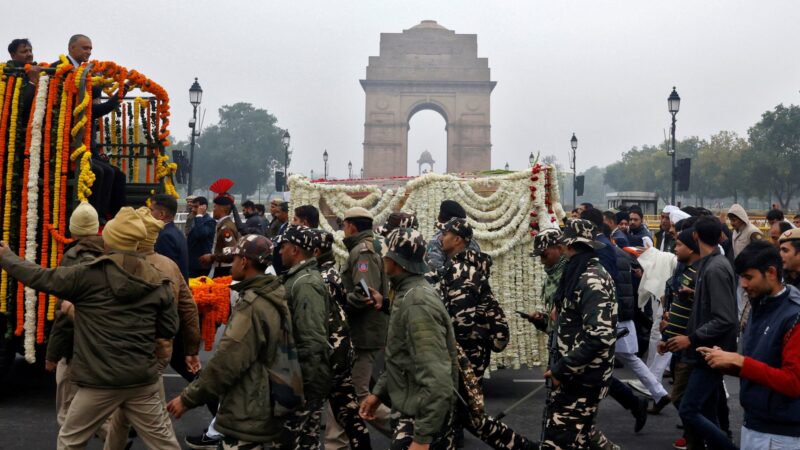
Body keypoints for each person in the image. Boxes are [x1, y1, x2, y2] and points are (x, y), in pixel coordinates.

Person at [0, 207, 180, 449]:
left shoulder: (89, 275)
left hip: (98, 381)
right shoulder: (159, 281)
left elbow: (40, 277)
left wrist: (6, 257)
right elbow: (168, 328)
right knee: (164, 444)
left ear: (109, 238)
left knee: (70, 440)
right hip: (141, 381)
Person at [167, 234, 289, 449]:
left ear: (245, 261)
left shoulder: (252, 305)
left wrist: (188, 399)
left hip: (248, 405)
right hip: (263, 399)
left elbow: (227, 362)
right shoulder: (274, 292)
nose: (231, 264)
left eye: (234, 259)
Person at [104, 208, 202, 450]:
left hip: (132, 355)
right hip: (159, 351)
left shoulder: (127, 266)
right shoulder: (168, 265)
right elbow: (189, 309)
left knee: (154, 422)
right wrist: (191, 349)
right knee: (122, 417)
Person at [359, 228, 459, 450]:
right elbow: (400, 357)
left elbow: (437, 379)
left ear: (397, 262)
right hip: (413, 410)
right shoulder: (406, 294)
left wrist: (422, 439)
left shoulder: (416, 304)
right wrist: (378, 394)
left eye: (385, 254)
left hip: (420, 419)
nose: (381, 258)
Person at [699, 240, 800, 448]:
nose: (743, 285)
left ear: (771, 273)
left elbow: (793, 383)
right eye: (741, 277)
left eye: (748, 277)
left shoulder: (794, 315)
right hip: (754, 424)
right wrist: (732, 365)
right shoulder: (759, 305)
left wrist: (741, 362)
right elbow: (762, 366)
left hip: (781, 436)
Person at [541, 219, 618, 449]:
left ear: (570, 247)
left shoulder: (591, 278)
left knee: (559, 441)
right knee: (584, 437)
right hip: (576, 375)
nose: (564, 252)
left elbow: (599, 336)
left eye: (566, 247)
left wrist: (562, 368)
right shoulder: (581, 272)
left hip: (583, 377)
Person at [669, 217, 737, 450]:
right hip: (703, 349)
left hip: (710, 351)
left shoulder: (715, 267)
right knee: (707, 412)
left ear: (696, 236)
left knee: (688, 409)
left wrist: (691, 338)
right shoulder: (710, 264)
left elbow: (724, 318)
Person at [44, 203, 104, 431]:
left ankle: (105, 434)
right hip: (98, 344)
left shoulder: (74, 259)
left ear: (72, 229)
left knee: (66, 405)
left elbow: (65, 314)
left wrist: (53, 353)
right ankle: (112, 432)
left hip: (75, 347)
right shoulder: (106, 251)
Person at [312, 229, 373, 450]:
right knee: (347, 405)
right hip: (341, 346)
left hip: (335, 348)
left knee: (355, 399)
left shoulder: (319, 278)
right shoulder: (331, 271)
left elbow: (364, 292)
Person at [55, 34, 127, 221]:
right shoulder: (61, 70)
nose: (88, 52)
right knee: (102, 172)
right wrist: (118, 96)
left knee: (118, 174)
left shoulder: (88, 71)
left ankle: (117, 217)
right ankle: (95, 216)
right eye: (84, 48)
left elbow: (93, 108)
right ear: (71, 48)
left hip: (87, 139)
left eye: (90, 49)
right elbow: (88, 110)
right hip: (69, 140)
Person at [278, 225, 332, 449]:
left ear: (295, 250)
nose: (280, 251)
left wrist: (301, 390)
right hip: (303, 378)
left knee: (288, 441)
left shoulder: (305, 283)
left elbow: (311, 340)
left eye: (283, 246)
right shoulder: (299, 278)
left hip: (303, 381)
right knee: (307, 442)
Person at [340, 207, 392, 433]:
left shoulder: (362, 252)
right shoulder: (368, 247)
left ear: (351, 226)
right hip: (366, 330)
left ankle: (408, 435)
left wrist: (340, 301)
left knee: (360, 392)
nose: (343, 230)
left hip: (366, 331)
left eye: (343, 225)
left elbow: (365, 294)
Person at [657, 228, 701, 449]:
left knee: (682, 399)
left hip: (689, 343)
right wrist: (667, 328)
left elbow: (703, 309)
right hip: (677, 341)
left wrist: (691, 294)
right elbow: (680, 306)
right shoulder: (686, 270)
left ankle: (695, 437)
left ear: (691, 247)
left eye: (679, 245)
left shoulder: (700, 273)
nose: (675, 249)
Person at [426, 200, 480, 277]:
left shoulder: (437, 241)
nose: (442, 238)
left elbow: (434, 275)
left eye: (445, 234)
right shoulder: (471, 241)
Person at [199, 194, 241, 278]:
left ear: (221, 208)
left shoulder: (226, 227)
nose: (213, 210)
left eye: (215, 207)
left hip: (224, 270)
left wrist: (212, 257)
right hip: (219, 267)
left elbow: (231, 251)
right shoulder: (223, 224)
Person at [150, 194, 189, 279]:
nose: (148, 213)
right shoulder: (176, 232)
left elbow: (166, 272)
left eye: (151, 210)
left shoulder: (165, 236)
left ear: (162, 214)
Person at [6, 38, 41, 126]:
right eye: (24, 51)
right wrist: (32, 82)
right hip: (16, 129)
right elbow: (18, 107)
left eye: (30, 51)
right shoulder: (6, 74)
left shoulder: (40, 71)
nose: (29, 54)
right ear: (13, 55)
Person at [186, 196, 215, 277]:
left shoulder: (210, 221)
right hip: (191, 263)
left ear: (204, 207)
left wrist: (199, 215)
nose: (193, 209)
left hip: (201, 265)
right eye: (192, 207)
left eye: (196, 207)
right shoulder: (193, 218)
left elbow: (200, 234)